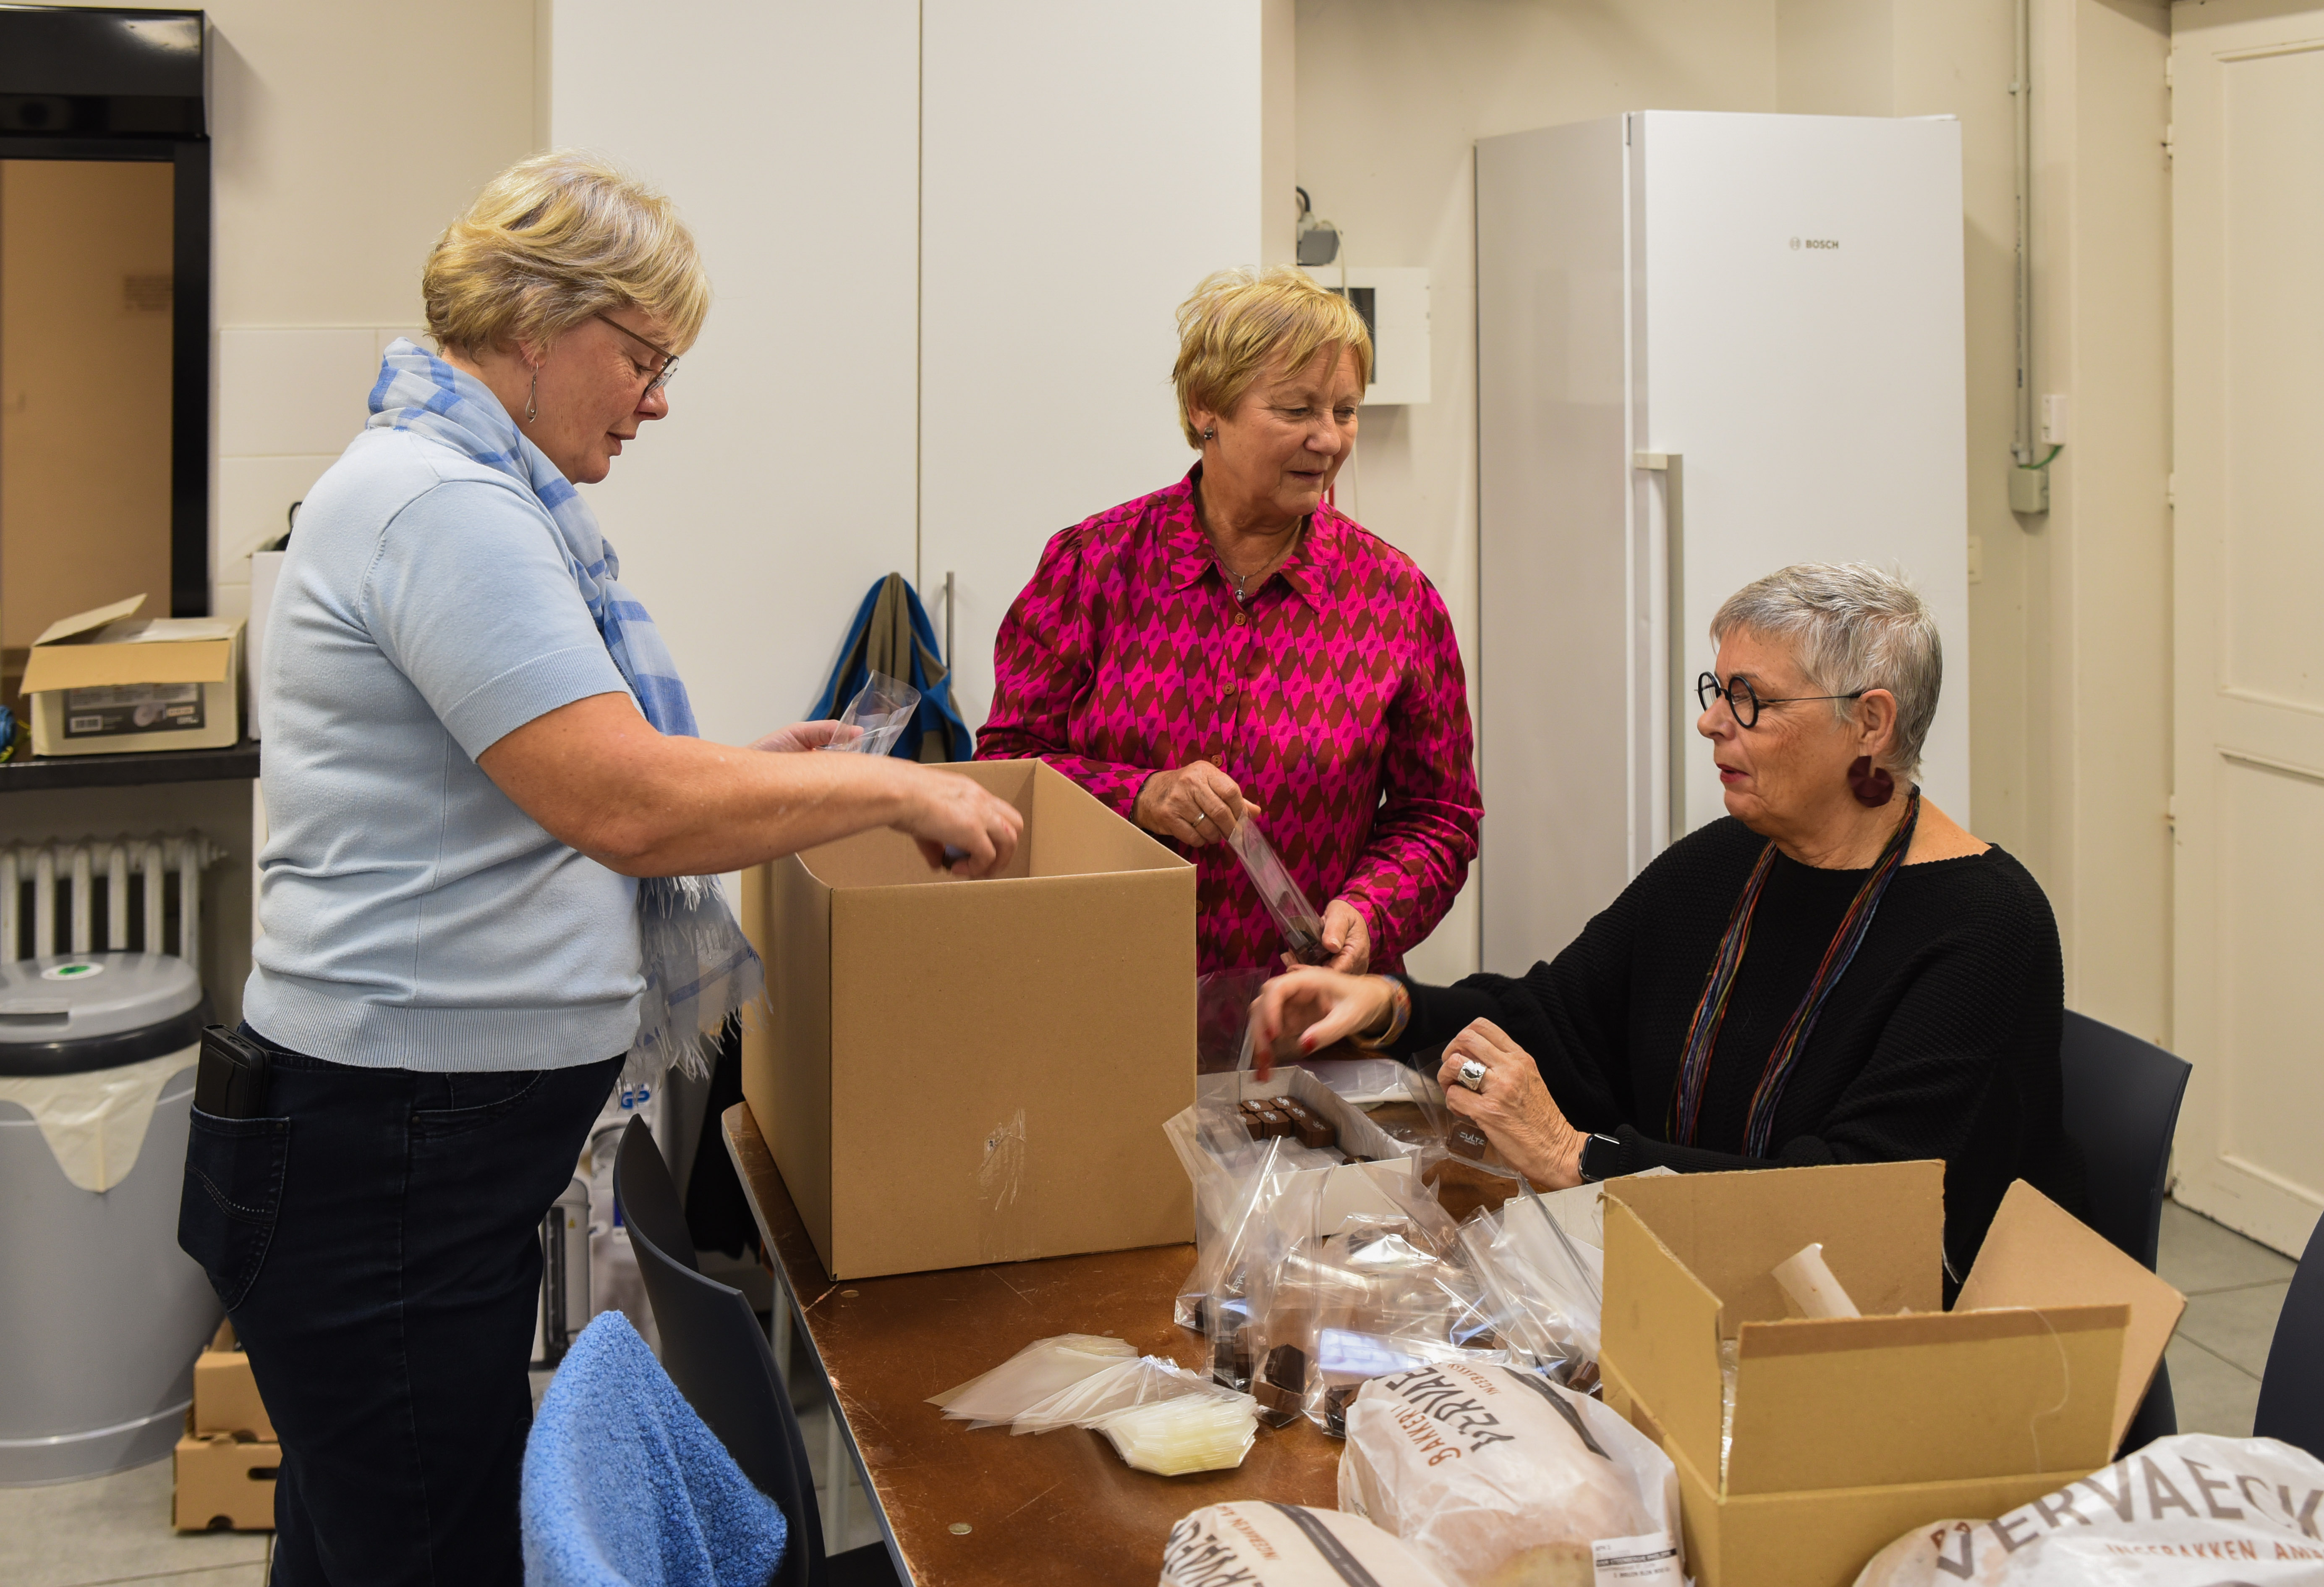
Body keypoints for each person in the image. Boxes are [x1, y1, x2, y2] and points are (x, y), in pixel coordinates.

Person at [178, 152, 1020, 1584]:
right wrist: (893, 787)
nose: (658, 399)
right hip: (386, 1161)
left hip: (397, 1155)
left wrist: (760, 766)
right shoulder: (439, 506)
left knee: (361, 1543)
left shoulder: (464, 492)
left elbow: (546, 779)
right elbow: (625, 805)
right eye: (642, 357)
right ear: (534, 322)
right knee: (430, 1553)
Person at [1252, 563, 2076, 1277]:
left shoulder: (1984, 927)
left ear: (1869, 723)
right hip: (1679, 1281)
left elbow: (1858, 1206)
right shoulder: (1726, 861)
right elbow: (1557, 1021)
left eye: (1750, 700)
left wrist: (1576, 1159)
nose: (1710, 722)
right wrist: (1388, 1007)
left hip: (1866, 1346)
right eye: (1717, 691)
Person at [978, 267, 1481, 977]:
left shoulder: (1394, 599)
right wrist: (1140, 795)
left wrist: (1370, 912)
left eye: (1344, 411)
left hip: (1303, 1003)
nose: (1328, 440)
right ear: (1205, 407)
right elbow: (1006, 767)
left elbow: (1438, 816)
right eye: (1296, 409)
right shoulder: (1093, 567)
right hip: (1101, 987)